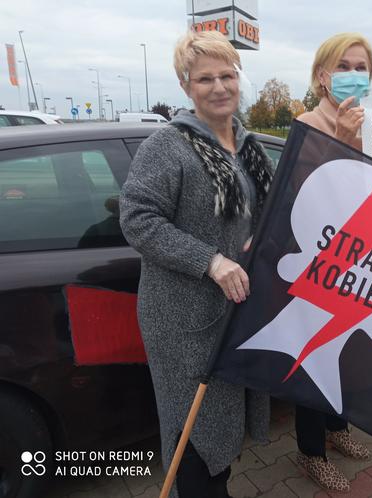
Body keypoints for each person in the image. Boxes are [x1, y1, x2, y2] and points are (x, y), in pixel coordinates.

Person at [119, 30, 274, 498]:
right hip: (182, 319)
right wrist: (211, 261)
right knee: (194, 432)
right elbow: (138, 219)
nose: (219, 86)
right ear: (187, 87)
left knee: (222, 429)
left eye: (227, 74)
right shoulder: (169, 146)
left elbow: (266, 212)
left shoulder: (247, 145)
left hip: (233, 310)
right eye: (205, 78)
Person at [292, 32, 372, 493]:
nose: (352, 75)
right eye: (342, 66)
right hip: (321, 262)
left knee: (346, 351)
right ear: (322, 75)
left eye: (360, 66)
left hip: (362, 260)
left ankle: (337, 427)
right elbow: (306, 198)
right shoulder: (306, 124)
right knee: (316, 355)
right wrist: (340, 142)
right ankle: (310, 452)